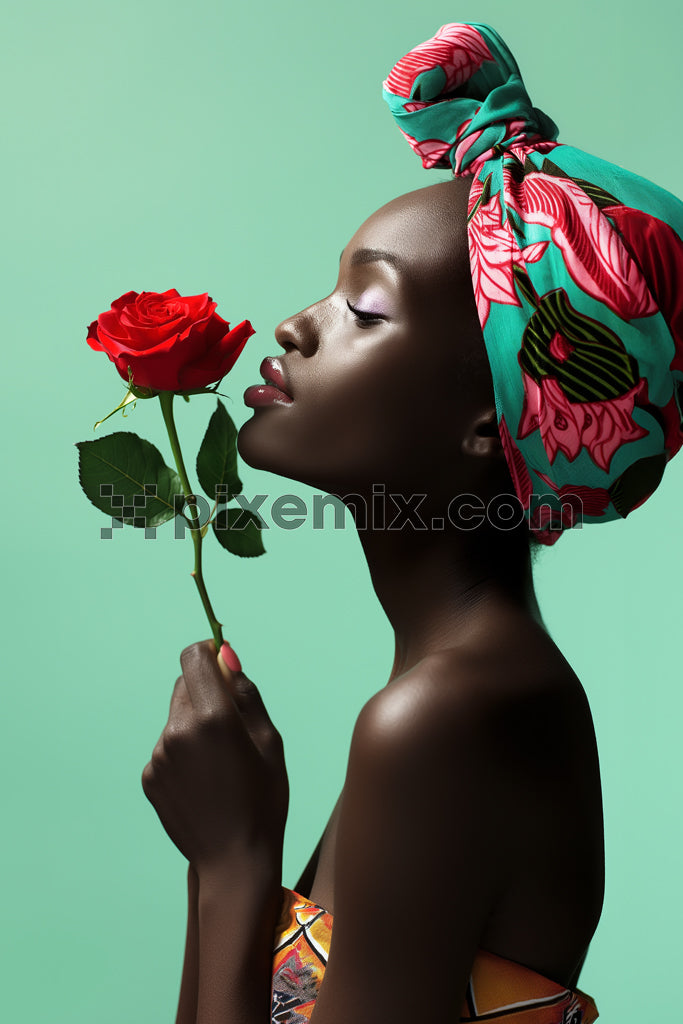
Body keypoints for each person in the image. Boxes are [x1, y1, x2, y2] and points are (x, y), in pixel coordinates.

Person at [140, 22, 683, 1024]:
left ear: (492, 424)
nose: (298, 324)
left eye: (366, 308)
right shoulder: (478, 692)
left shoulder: (441, 721)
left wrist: (229, 859)